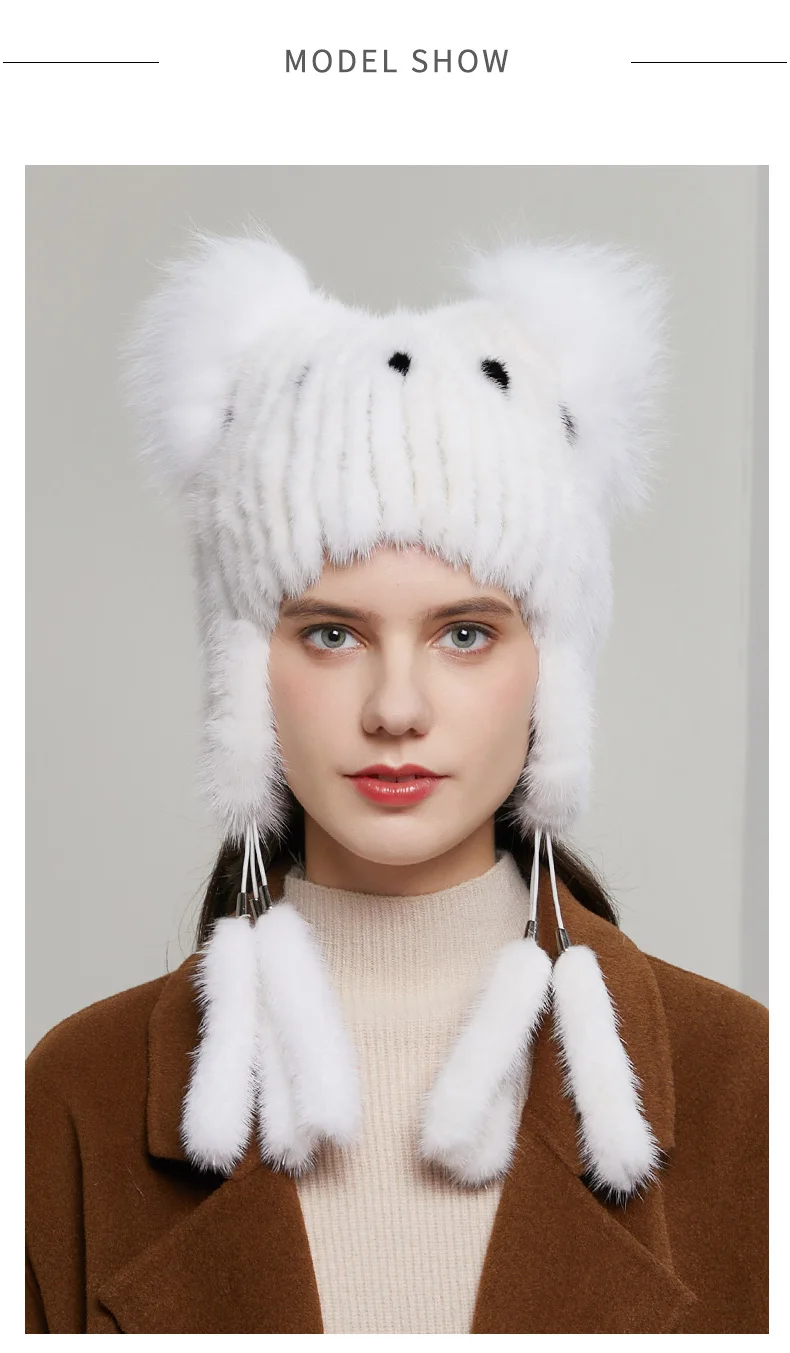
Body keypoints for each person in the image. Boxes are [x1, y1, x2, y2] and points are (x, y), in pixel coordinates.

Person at [25, 227, 768, 1335]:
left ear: (550, 670)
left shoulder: (747, 1085)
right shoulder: (74, 1097)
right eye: (331, 634)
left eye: (466, 634)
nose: (396, 707)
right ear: (245, 674)